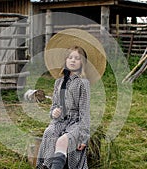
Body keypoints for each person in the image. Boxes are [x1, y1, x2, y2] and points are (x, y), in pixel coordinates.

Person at [36, 29, 107, 169]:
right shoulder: (58, 82)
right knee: (49, 132)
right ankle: (46, 165)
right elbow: (54, 105)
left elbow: (84, 112)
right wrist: (54, 112)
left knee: (62, 140)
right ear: (65, 61)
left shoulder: (83, 83)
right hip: (60, 121)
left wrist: (83, 137)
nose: (73, 60)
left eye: (77, 58)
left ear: (82, 62)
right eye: (70, 58)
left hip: (76, 122)